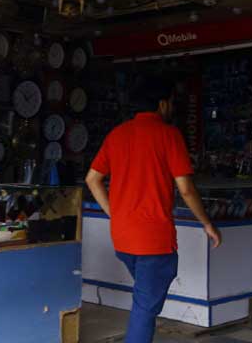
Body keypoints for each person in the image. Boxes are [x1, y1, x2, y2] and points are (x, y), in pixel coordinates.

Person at [85, 77, 222, 343]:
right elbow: (186, 189)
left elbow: (92, 179)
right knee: (145, 309)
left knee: (146, 301)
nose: (172, 107)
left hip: (123, 239)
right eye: (171, 102)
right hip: (154, 242)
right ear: (162, 104)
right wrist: (207, 223)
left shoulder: (117, 134)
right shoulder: (169, 135)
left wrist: (115, 213)